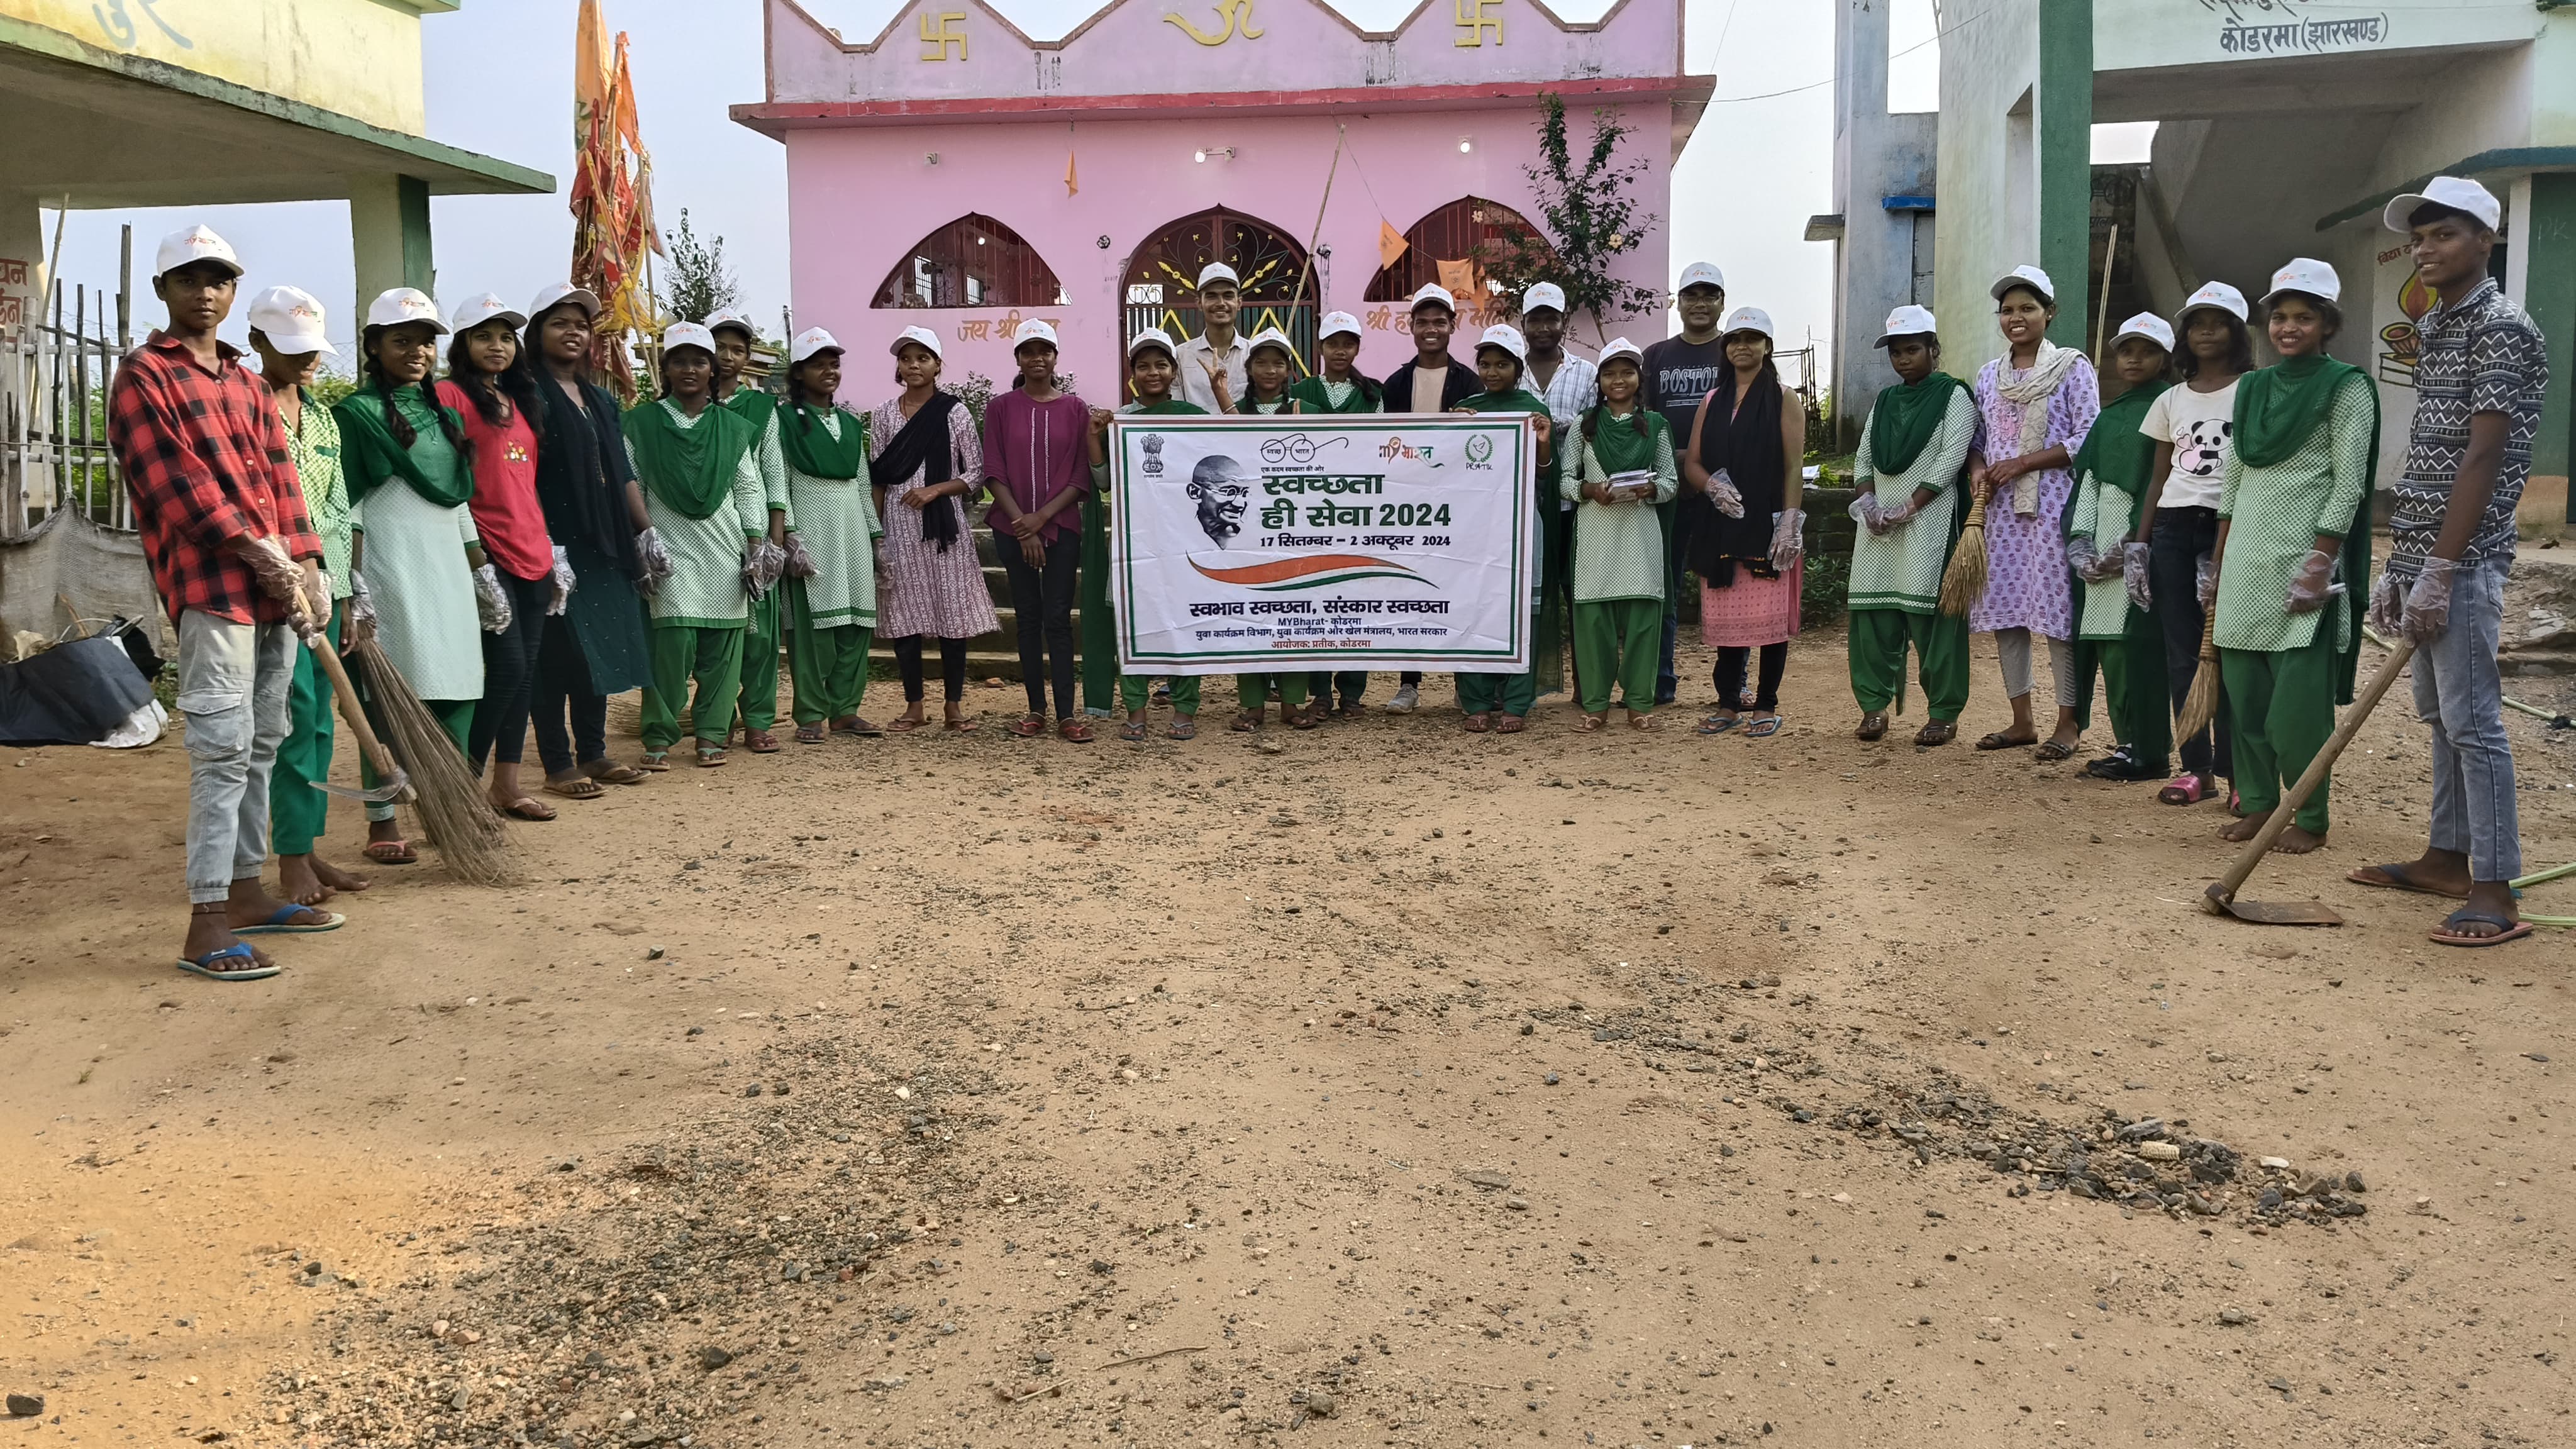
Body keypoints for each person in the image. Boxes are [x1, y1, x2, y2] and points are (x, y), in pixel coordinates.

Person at [109, 225, 337, 980]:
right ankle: (206, 921)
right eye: (188, 279)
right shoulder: (145, 376)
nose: (204, 293)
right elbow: (175, 486)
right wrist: (254, 550)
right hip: (213, 592)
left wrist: (308, 564)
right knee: (221, 751)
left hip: (275, 594)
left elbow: (282, 480)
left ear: (233, 290)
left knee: (264, 741)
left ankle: (245, 890)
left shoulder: (246, 382)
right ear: (163, 290)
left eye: (218, 280)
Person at [2351, 177, 2545, 945]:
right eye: (2419, 237)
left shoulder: (2500, 327)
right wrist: (2402, 561)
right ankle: (2445, 857)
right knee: (2440, 718)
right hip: (2426, 548)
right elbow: (2431, 448)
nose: (2425, 249)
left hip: (2465, 554)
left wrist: (2439, 567)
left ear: (2484, 241)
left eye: (2444, 235)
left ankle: (2494, 890)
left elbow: (2483, 455)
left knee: (2474, 725)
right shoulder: (2437, 323)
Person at [2202, 258, 2377, 856]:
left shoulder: (2347, 387)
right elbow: (2233, 479)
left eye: (2304, 317)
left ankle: (2310, 816)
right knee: (2246, 701)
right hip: (2245, 563)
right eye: (2280, 316)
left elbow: (2349, 482)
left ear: (2328, 324)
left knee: (2296, 711)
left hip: (2303, 564)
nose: (2289, 327)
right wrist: (2218, 561)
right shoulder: (2252, 387)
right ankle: (2257, 804)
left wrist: (2321, 561)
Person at [335, 288, 492, 862]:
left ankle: (451, 807)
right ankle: (382, 823)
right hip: (390, 566)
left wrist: (482, 573)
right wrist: (354, 582)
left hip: (449, 568)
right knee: (391, 695)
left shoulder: (446, 416)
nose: (418, 352)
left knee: (459, 685)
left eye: (427, 342)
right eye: (402, 341)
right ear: (374, 347)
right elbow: (347, 503)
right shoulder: (356, 414)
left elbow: (458, 500)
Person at [245, 284, 371, 908]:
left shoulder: (322, 418)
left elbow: (339, 511)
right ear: (256, 342)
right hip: (276, 595)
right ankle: (291, 857)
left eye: (313, 348)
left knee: (321, 725)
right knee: (291, 723)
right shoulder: (244, 409)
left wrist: (347, 592)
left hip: (328, 590)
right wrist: (291, 576)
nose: (307, 359)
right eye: (291, 348)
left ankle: (308, 845)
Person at [438, 292, 567, 823]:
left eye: (506, 337)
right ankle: (460, 787)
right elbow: (450, 480)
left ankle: (506, 787)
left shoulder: (519, 400)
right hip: (487, 551)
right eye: (483, 336)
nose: (497, 346)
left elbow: (525, 483)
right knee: (507, 666)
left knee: (525, 672)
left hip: (532, 549)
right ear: (462, 344)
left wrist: (551, 549)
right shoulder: (448, 396)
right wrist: (474, 555)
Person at [521, 284, 654, 799]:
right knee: (556, 653)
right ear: (538, 332)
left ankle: (594, 752)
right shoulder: (526, 395)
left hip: (605, 541)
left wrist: (646, 531)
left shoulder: (600, 399)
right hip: (553, 540)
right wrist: (543, 543)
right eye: (560, 323)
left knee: (597, 647)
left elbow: (622, 471)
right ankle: (557, 763)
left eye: (581, 325)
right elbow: (522, 475)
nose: (573, 333)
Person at [1965, 265, 2099, 760]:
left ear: (2050, 313)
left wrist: (2024, 462)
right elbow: (1978, 439)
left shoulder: (2071, 368)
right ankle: (2022, 720)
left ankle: (2068, 723)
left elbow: (2088, 437)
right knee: (2008, 613)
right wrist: (1979, 470)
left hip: (2053, 507)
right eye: (2007, 310)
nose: (2016, 318)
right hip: (2001, 513)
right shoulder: (1989, 375)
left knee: (2059, 616)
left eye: (2027, 308)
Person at [626, 321, 768, 769]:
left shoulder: (734, 427)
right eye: (680, 361)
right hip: (669, 551)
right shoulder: (641, 423)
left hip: (725, 550)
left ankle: (711, 735)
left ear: (712, 370)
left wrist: (756, 544)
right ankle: (659, 736)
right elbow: (632, 483)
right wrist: (644, 538)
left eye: (699, 362)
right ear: (666, 369)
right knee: (671, 648)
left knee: (722, 652)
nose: (690, 369)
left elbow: (749, 488)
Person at [2135, 280, 2251, 807]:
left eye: (2218, 323)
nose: (2206, 332)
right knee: (2183, 652)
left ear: (2237, 332)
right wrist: (2140, 545)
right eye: (2197, 324)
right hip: (2174, 528)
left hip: (2234, 525)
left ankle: (2239, 774)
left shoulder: (2253, 390)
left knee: (2230, 651)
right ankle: (2197, 770)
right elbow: (2158, 478)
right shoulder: (2171, 399)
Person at [1845, 305, 1975, 746]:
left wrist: (1910, 507)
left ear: (1933, 349)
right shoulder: (1885, 400)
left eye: (1913, 349)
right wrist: (1868, 501)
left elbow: (1951, 458)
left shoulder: (1954, 396)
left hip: (1929, 523)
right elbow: (1864, 457)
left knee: (1933, 619)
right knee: (1872, 615)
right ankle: (1873, 708)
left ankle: (1943, 713)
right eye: (1896, 352)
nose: (1903, 359)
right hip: (1878, 527)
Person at [1683, 306, 1805, 738]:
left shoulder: (1784, 398)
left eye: (1751, 339)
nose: (1742, 346)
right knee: (1729, 620)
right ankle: (1728, 703)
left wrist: (1789, 522)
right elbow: (1693, 462)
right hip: (1721, 524)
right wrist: (1712, 486)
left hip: (1767, 524)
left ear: (1767, 346)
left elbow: (1793, 466)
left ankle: (1766, 704)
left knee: (1770, 621)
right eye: (1734, 339)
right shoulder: (1712, 400)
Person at [2063, 314, 2175, 784]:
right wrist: (2082, 543)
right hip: (2100, 553)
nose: (2134, 359)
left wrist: (2131, 542)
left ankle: (2149, 748)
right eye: (2126, 350)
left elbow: (2161, 480)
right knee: (2109, 648)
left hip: (2142, 547)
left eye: (2146, 351)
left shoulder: (2171, 408)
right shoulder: (2108, 417)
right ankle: (2127, 742)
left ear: (2165, 359)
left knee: (2138, 650)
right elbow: (2088, 481)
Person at [870, 324, 997, 733]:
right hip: (898, 525)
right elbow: (879, 475)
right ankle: (914, 706)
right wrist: (876, 532)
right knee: (903, 613)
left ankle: (954, 706)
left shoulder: (954, 412)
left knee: (951, 611)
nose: (914, 366)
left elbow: (976, 473)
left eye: (923, 358)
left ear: (938, 364)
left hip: (944, 528)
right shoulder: (884, 414)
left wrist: (935, 490)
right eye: (906, 359)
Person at [765, 326, 886, 741]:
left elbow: (862, 484)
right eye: (819, 365)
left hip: (852, 533)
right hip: (811, 534)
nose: (830, 371)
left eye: (834, 364)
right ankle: (811, 713)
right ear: (799, 373)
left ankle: (845, 710)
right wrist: (789, 534)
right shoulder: (782, 419)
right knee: (813, 628)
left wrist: (876, 538)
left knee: (856, 623)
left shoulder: (851, 424)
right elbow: (779, 478)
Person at [1088, 328, 1208, 741]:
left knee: (1185, 623)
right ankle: (1135, 710)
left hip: (1184, 542)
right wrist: (1094, 436)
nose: (1152, 372)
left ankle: (1185, 709)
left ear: (1174, 371)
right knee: (1132, 625)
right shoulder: (1121, 420)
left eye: (1161, 365)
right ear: (1132, 374)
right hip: (1135, 541)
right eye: (1143, 366)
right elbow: (1103, 481)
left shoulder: (1194, 419)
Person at [982, 319, 1095, 742]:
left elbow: (1081, 475)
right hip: (1012, 528)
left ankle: (1066, 713)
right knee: (1028, 618)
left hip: (1062, 526)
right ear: (1018, 358)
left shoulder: (1077, 409)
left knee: (1058, 618)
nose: (1037, 358)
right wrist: (1023, 526)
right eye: (1028, 351)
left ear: (1055, 357)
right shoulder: (1000, 407)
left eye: (1044, 350)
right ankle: (1035, 710)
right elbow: (993, 471)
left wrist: (1041, 518)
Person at [1377, 284, 1482, 713]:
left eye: (1440, 321)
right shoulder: (1396, 383)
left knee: (1457, 587)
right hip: (1408, 503)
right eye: (1423, 322)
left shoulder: (1470, 382)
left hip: (1457, 504)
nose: (1431, 329)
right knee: (1409, 588)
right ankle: (1409, 683)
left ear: (1453, 326)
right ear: (1411, 327)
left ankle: (1463, 683)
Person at [1447, 323, 1557, 733]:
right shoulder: (1466, 407)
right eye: (1486, 364)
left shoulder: (1532, 410)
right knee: (1473, 608)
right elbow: (1446, 471)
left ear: (1518, 367)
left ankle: (1516, 702)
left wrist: (1543, 442)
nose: (1492, 372)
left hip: (1521, 526)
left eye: (1502, 364)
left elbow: (1543, 476)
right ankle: (1476, 701)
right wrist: (1450, 427)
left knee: (1521, 613)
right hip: (1473, 528)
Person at [1560, 338, 1673, 729]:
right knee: (1593, 624)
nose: (1618, 380)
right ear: (1600, 381)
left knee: (1643, 623)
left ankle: (1639, 705)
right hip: (1596, 535)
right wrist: (1590, 490)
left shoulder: (1656, 426)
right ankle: (1596, 706)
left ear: (1639, 379)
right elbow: (1564, 480)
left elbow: (1671, 481)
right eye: (1609, 373)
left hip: (1640, 537)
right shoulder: (1585, 425)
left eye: (1627, 373)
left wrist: (1650, 489)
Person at [1641, 260, 1729, 705]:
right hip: (1666, 490)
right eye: (1691, 295)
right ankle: (1660, 682)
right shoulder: (1656, 356)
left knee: (1727, 586)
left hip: (1721, 489)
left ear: (1722, 302)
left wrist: (1702, 468)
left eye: (1709, 295)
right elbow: (1641, 421)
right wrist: (1674, 464)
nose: (1700, 303)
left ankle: (1732, 686)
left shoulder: (1734, 350)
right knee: (1664, 588)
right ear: (1678, 303)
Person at [708, 308, 796, 751]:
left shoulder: (762, 408)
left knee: (760, 635)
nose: (727, 357)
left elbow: (774, 472)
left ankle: (758, 720)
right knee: (717, 635)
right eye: (719, 347)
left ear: (748, 358)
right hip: (704, 534)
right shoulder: (688, 405)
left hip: (754, 531)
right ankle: (717, 718)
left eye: (737, 350)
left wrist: (776, 534)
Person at [1286, 311, 1381, 717]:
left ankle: (1353, 692)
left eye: (1348, 344)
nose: (1340, 351)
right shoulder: (1301, 390)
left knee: (1356, 596)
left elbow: (1379, 447)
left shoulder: (1373, 394)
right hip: (1309, 506)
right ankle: (1321, 692)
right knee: (1315, 596)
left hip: (1357, 506)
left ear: (1357, 348)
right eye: (1333, 344)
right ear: (1321, 348)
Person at [1525, 282, 1596, 705]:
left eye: (1551, 319)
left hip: (1573, 502)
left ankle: (1587, 686)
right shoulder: (1507, 368)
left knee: (1577, 593)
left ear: (1563, 322)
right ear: (1523, 323)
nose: (1543, 327)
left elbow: (1593, 432)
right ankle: (1525, 686)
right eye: (1535, 319)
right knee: (1527, 596)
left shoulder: (1586, 373)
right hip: (1522, 506)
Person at [1176, 264, 1251, 413]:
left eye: (1228, 296)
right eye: (1212, 296)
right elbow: (1177, 411)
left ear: (1239, 303)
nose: (1221, 303)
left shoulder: (1253, 354)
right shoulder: (1181, 356)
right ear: (1199, 303)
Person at [1224, 327, 1302, 415]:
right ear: (1249, 369)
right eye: (1261, 363)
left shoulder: (1305, 410)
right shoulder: (1235, 412)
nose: (1270, 371)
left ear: (1287, 371)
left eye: (1278, 364)